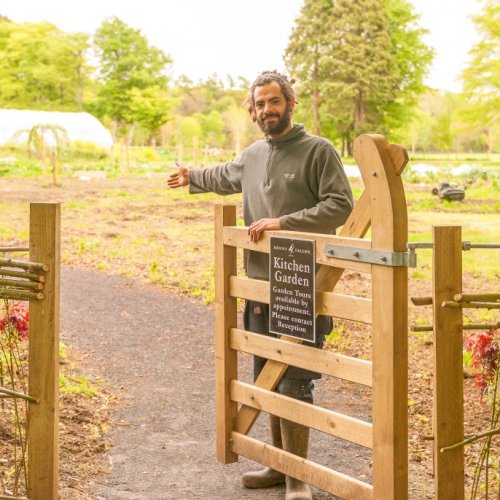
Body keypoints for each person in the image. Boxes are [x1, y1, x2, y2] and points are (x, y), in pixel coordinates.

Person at [168, 70, 353, 500]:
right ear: (252, 110)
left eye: (274, 101)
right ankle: (275, 466)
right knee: (263, 375)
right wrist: (191, 176)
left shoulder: (318, 151)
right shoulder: (252, 154)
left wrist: (282, 223)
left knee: (294, 381)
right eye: (259, 103)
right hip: (257, 284)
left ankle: (297, 478)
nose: (266, 110)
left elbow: (340, 205)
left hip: (302, 283)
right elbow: (223, 175)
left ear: (290, 102)